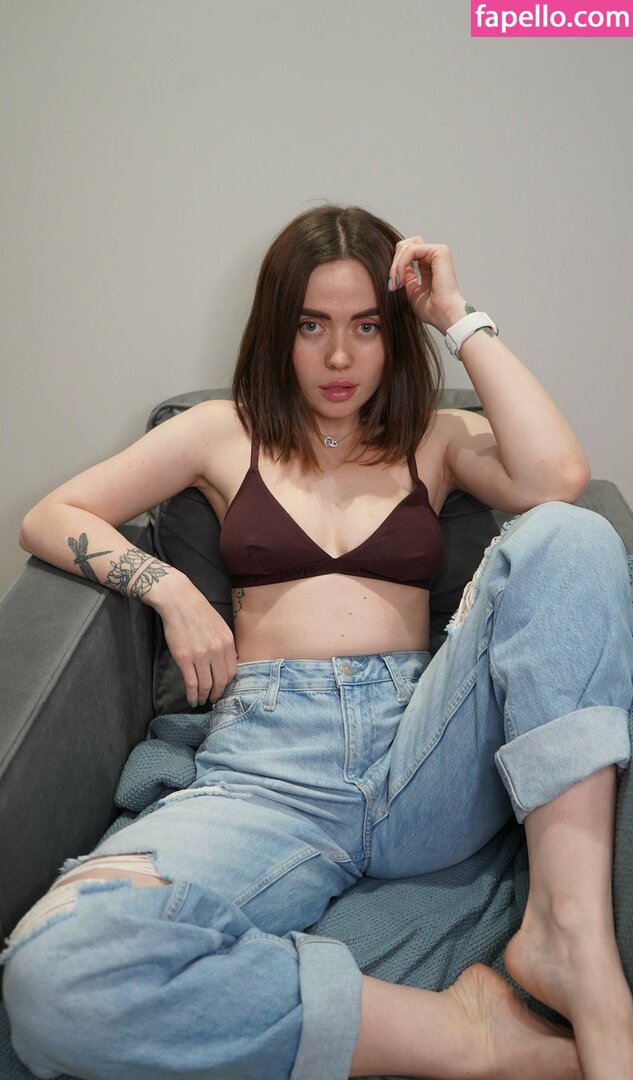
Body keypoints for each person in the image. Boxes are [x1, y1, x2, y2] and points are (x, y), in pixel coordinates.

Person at [2, 204, 633, 1080]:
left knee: (572, 535)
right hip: (269, 775)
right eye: (312, 326)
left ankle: (569, 935)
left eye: (365, 327)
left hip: (424, 754)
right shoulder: (220, 431)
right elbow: (50, 515)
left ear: (394, 332)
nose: (339, 357)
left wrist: (455, 316)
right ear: (278, 329)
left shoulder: (435, 437)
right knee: (58, 971)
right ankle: (463, 1034)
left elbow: (556, 478)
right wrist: (167, 587)